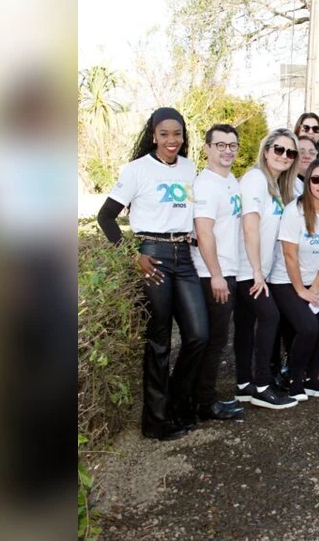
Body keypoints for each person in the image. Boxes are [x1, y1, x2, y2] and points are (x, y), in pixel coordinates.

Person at [96, 107, 207, 440]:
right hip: (153, 259)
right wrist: (135, 257)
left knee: (198, 335)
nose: (171, 140)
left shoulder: (190, 169)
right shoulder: (136, 171)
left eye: (177, 134)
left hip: (184, 258)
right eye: (164, 134)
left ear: (184, 136)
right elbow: (105, 218)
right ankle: (156, 422)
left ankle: (175, 403)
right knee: (159, 342)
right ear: (153, 135)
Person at [269, 159, 319, 401]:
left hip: (317, 279)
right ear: (308, 183)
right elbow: (289, 254)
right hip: (286, 281)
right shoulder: (295, 211)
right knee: (308, 328)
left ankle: (313, 378)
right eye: (316, 179)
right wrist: (301, 289)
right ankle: (295, 378)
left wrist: (316, 285)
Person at [235, 130, 300, 410]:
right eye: (278, 149)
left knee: (246, 325)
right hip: (247, 268)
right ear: (265, 150)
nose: (284, 156)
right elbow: (249, 226)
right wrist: (257, 270)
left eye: (290, 152)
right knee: (270, 317)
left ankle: (243, 385)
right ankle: (262, 385)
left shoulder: (276, 184)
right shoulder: (255, 179)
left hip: (257, 268)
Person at [190, 124, 246, 422]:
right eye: (220, 144)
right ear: (207, 148)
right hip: (212, 274)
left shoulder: (231, 180)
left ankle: (202, 397)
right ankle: (204, 403)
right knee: (213, 341)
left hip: (229, 270)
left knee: (217, 339)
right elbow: (204, 232)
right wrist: (216, 275)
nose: (227, 150)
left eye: (232, 145)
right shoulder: (207, 184)